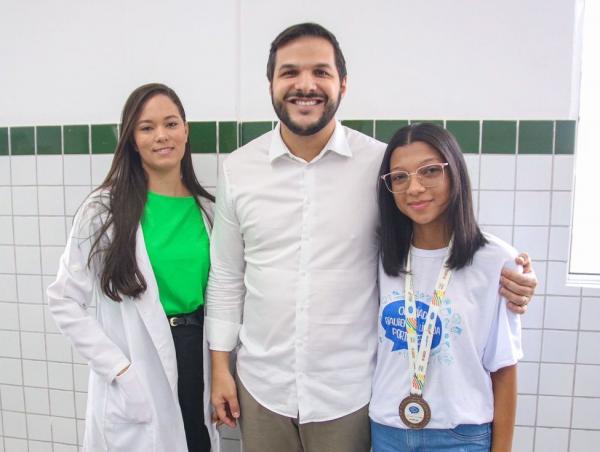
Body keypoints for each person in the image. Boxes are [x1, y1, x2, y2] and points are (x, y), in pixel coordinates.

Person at [206, 23, 536, 452]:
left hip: (350, 393)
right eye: (289, 72)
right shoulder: (238, 169)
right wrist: (220, 367)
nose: (305, 85)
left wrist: (512, 271)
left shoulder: (380, 163)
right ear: (270, 83)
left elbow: (438, 230)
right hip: (261, 384)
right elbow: (228, 275)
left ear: (342, 83)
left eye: (320, 72)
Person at [47, 83, 219, 452]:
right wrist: (119, 370)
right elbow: (64, 300)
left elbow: (222, 294)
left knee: (195, 440)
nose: (161, 136)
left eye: (171, 123)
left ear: (186, 130)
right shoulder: (103, 211)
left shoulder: (208, 209)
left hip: (197, 358)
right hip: (138, 365)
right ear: (131, 139)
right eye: (146, 127)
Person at [370, 122, 521, 452]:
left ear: (455, 174)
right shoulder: (379, 256)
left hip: (460, 435)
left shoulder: (496, 261)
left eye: (429, 171)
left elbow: (504, 369)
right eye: (400, 177)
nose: (415, 188)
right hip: (387, 431)